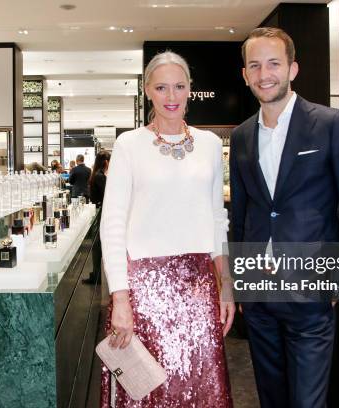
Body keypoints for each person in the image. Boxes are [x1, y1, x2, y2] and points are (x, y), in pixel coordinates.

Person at [230, 27, 339, 408]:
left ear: (293, 69)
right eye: (255, 65)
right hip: (259, 298)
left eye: (274, 63)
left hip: (311, 295)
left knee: (308, 403)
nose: (265, 74)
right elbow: (242, 216)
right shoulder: (243, 136)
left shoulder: (331, 124)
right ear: (245, 74)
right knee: (271, 399)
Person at [100, 51, 235, 407]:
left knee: (199, 386)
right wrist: (120, 298)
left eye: (179, 86)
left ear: (191, 89)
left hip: (198, 284)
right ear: (147, 91)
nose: (171, 97)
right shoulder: (129, 145)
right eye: (162, 87)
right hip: (144, 288)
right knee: (148, 389)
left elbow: (216, 216)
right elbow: (112, 225)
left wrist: (227, 286)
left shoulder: (208, 144)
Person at [82, 150, 111, 285]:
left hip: (99, 210)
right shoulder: (100, 176)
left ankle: (96, 275)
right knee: (98, 245)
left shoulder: (97, 175)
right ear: (106, 162)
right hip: (101, 212)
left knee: (98, 245)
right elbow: (107, 195)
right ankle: (96, 275)